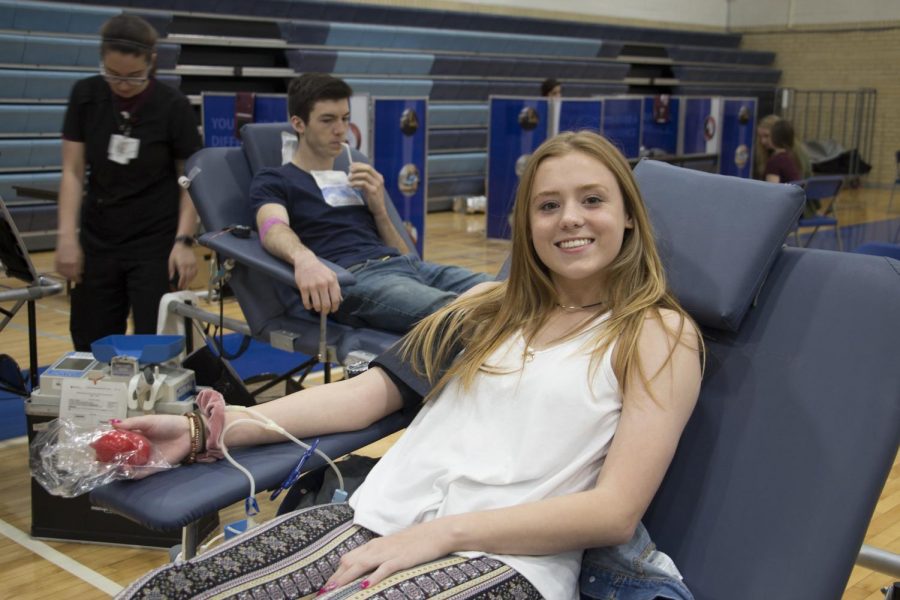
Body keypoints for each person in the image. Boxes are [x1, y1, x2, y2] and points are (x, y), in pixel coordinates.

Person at [114, 130, 702, 600]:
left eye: (592, 200)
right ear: (528, 225)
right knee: (167, 590)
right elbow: (368, 396)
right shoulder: (485, 309)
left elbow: (614, 512)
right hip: (372, 520)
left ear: (628, 217)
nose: (569, 218)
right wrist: (208, 429)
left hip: (502, 562)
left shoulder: (655, 333)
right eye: (548, 205)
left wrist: (439, 534)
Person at [252, 73, 490, 334]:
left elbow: (405, 254)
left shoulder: (353, 179)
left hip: (409, 269)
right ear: (298, 123)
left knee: (508, 290)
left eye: (344, 118)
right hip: (354, 278)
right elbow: (272, 228)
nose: (340, 130)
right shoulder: (276, 179)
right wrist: (304, 260)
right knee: (457, 315)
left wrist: (378, 208)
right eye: (327, 120)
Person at [55, 15, 201, 351]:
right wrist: (66, 238)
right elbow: (73, 171)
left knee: (156, 340)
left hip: (155, 242)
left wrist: (184, 241)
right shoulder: (86, 96)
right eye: (113, 74)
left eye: (133, 77)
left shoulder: (172, 106)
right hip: (99, 238)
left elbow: (188, 181)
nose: (122, 84)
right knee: (92, 340)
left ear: (151, 61)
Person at [764, 119, 803, 184]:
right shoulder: (793, 158)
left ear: (773, 137)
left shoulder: (775, 162)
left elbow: (772, 189)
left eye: (769, 136)